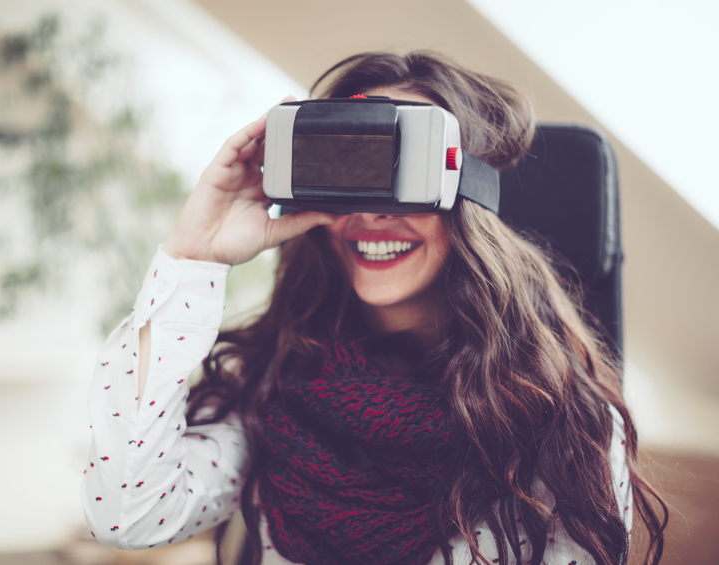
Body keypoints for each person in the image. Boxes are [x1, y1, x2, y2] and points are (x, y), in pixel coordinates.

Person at [82, 51, 667, 565]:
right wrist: (192, 257)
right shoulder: (273, 385)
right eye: (347, 174)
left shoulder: (558, 422)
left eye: (400, 173)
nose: (371, 214)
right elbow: (129, 513)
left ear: (469, 198)